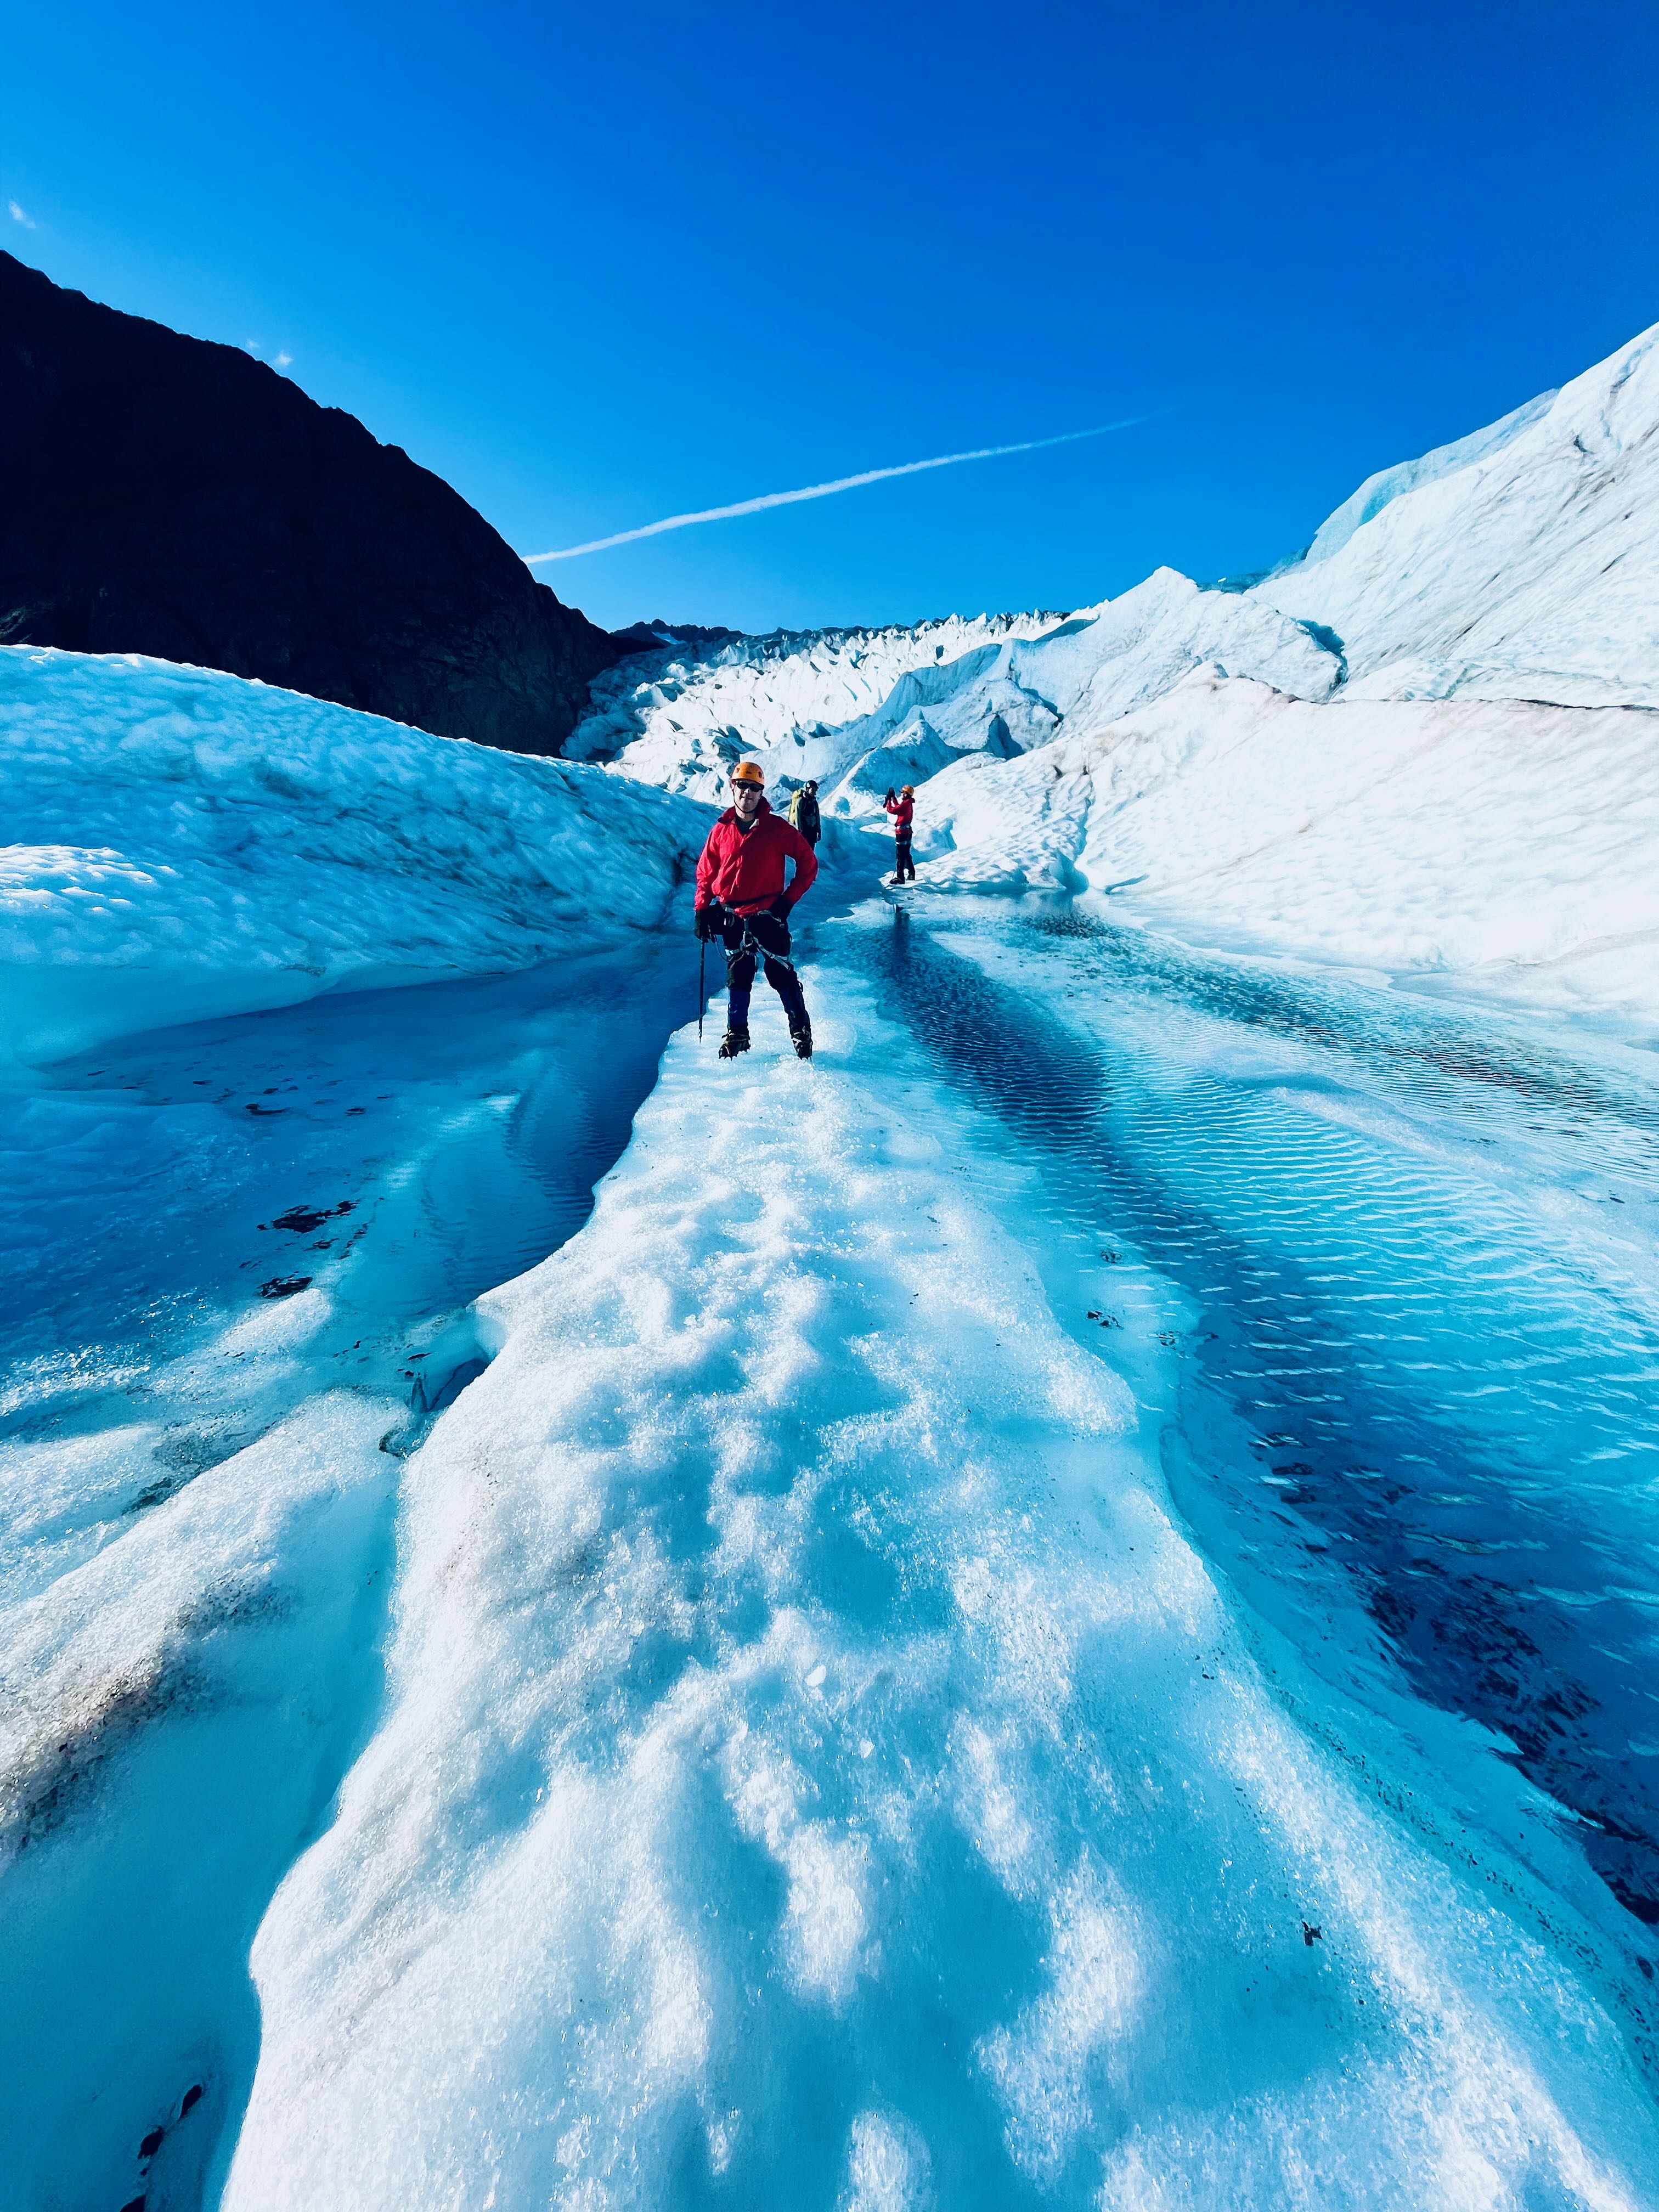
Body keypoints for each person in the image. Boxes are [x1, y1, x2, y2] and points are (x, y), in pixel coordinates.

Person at [694, 759, 820, 1060]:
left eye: (754, 788)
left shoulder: (776, 829)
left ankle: (800, 1031)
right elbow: (706, 872)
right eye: (742, 786)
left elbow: (808, 865)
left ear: (761, 793)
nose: (747, 793)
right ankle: (737, 1033)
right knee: (739, 974)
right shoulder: (720, 831)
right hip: (731, 916)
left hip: (767, 914)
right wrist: (702, 908)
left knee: (780, 974)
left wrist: (787, 902)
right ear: (732, 788)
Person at [884, 785, 916, 883]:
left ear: (906, 794)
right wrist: (893, 798)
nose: (901, 793)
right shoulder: (908, 803)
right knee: (906, 853)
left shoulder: (906, 804)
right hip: (908, 832)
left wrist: (889, 800)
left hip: (902, 833)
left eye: (903, 792)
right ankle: (911, 873)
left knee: (901, 855)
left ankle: (900, 878)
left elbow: (893, 810)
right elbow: (899, 808)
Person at [787, 778, 821, 847]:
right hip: (804, 829)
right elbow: (797, 814)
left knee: (811, 850)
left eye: (815, 789)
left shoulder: (814, 802)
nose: (815, 791)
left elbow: (817, 817)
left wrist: (819, 831)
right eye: (813, 789)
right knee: (804, 850)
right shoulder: (801, 800)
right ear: (808, 789)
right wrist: (799, 828)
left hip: (812, 830)